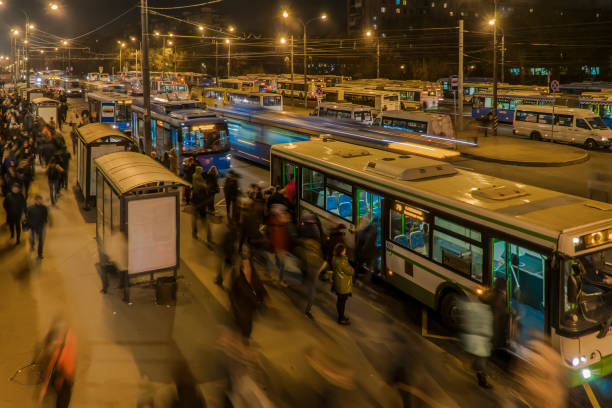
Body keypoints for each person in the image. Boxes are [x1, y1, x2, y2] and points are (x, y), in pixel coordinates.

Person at [229, 257, 267, 340]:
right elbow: (232, 295)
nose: (246, 269)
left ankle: (243, 342)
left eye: (248, 266)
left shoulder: (255, 280)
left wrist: (260, 303)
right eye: (244, 267)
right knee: (241, 331)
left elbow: (262, 293)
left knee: (247, 331)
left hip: (249, 313)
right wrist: (236, 308)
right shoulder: (239, 281)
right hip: (240, 313)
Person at [332, 243, 354, 325]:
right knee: (342, 302)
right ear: (341, 252)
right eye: (344, 250)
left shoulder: (334, 258)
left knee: (340, 301)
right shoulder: (342, 262)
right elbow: (350, 271)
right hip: (343, 285)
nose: (345, 252)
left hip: (338, 283)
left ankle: (341, 316)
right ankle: (341, 318)